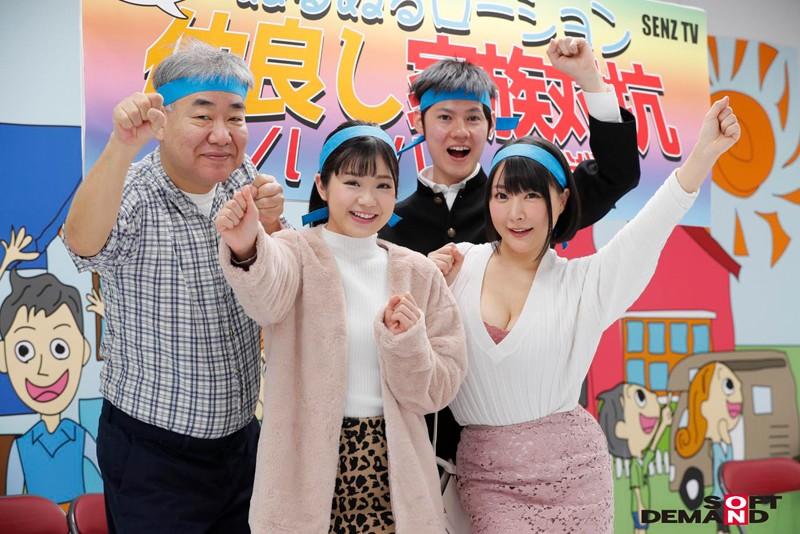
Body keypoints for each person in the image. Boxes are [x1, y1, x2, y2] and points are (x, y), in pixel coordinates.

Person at [429, 97, 740, 532]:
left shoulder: (583, 285)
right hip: (486, 480)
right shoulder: (455, 265)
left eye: (531, 195)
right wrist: (424, 283)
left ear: (561, 200)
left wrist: (703, 153)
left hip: (576, 477)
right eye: (502, 195)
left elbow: (648, 229)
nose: (515, 212)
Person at [380, 37, 641, 463]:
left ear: (490, 125)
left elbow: (618, 174)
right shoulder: (388, 223)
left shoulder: (528, 206)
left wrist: (589, 80)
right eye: (444, 117)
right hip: (415, 449)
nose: (460, 131)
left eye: (473, 117)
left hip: (525, 451)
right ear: (420, 122)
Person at [63, 40, 285, 533]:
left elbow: (275, 288)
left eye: (235, 117)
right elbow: (81, 244)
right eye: (203, 116)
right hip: (154, 455)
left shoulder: (243, 179)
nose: (222, 135)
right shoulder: (135, 191)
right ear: (161, 121)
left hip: (240, 443)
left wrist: (272, 225)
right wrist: (121, 143)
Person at [215, 120, 467, 533]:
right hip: (304, 471)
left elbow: (438, 390)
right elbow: (265, 297)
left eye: (383, 185)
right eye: (352, 182)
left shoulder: (418, 274)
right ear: (323, 184)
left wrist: (408, 343)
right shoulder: (293, 252)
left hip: (394, 473)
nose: (367, 199)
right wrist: (246, 245)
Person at [0, 271, 99, 504]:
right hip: (37, 520)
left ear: (83, 350)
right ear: (3, 357)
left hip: (78, 518)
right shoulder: (21, 447)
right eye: (24, 351)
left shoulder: (79, 436)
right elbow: (14, 504)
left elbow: (111, 476)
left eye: (59, 348)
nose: (43, 369)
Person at [676, 361, 743, 534]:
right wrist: (724, 436)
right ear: (704, 407)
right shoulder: (715, 447)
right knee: (723, 528)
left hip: (732, 495)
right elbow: (724, 465)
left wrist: (727, 438)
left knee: (736, 527)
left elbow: (731, 463)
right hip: (721, 497)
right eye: (729, 386)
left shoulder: (725, 445)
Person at [598, 383, 672, 533]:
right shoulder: (635, 465)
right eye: (640, 397)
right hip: (640, 507)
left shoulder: (641, 460)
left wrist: (663, 424)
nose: (654, 396)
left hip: (643, 507)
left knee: (639, 530)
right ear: (621, 429)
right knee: (640, 530)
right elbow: (636, 488)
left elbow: (652, 449)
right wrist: (640, 505)